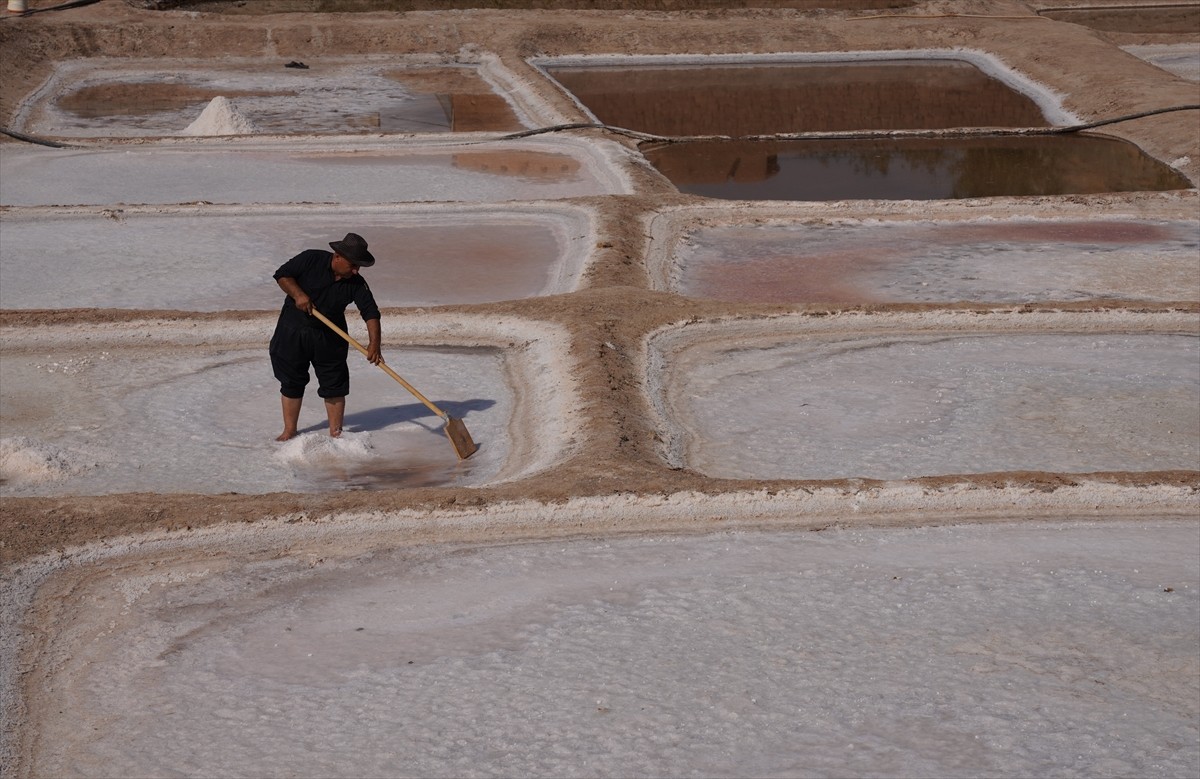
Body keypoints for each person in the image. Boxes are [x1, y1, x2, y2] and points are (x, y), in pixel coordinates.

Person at [270, 232, 382, 441]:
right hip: (293, 330)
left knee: (334, 383)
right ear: (337, 256)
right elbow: (282, 275)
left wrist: (374, 344)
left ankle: (336, 432)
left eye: (359, 266)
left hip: (330, 335)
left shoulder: (356, 282)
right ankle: (289, 431)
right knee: (292, 380)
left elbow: (371, 312)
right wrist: (298, 294)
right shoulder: (310, 259)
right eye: (353, 265)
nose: (356, 271)